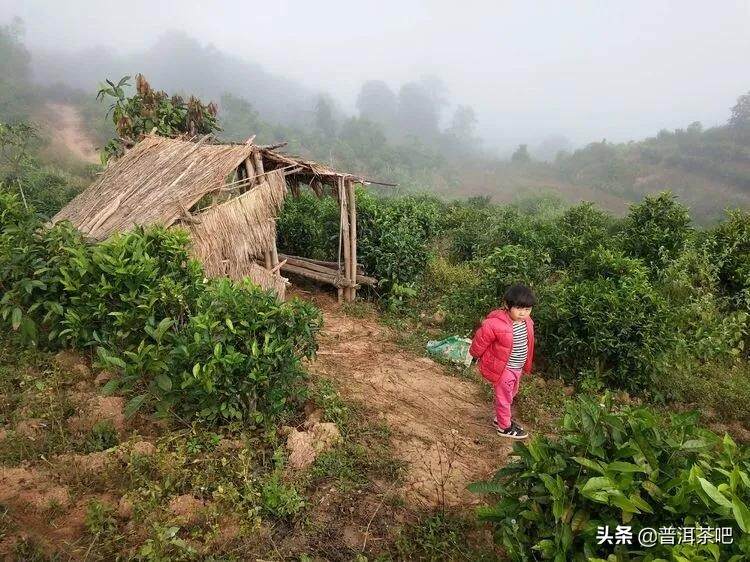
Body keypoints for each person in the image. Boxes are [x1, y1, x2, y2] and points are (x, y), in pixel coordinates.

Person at [469, 284, 535, 439]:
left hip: (517, 367)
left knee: (511, 393)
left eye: (527, 309)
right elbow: (481, 340)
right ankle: (504, 427)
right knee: (504, 398)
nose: (523, 313)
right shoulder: (494, 323)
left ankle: (499, 418)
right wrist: (474, 354)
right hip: (503, 369)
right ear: (507, 305)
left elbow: (528, 343)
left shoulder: (527, 322)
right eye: (519, 308)